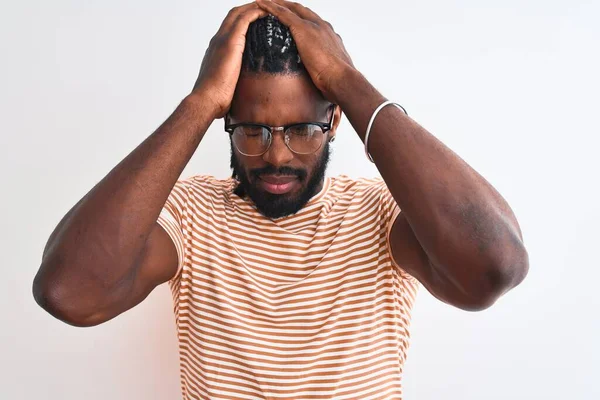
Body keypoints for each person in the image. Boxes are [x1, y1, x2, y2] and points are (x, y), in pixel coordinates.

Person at [32, 0, 529, 398]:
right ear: (226, 121)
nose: (274, 156)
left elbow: (494, 268)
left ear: (335, 120)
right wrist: (199, 102)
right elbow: (70, 292)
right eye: (251, 129)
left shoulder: (383, 212)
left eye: (302, 129)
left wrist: (347, 82)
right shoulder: (189, 214)